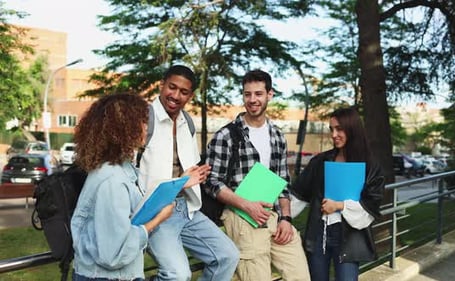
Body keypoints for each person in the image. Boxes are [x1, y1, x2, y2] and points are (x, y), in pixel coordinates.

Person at [71, 93, 209, 281]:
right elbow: (113, 254)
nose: (148, 128)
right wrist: (157, 220)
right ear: (125, 129)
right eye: (144, 122)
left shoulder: (119, 169)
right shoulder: (112, 181)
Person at [205, 69, 311, 281]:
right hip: (241, 217)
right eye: (247, 94)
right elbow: (211, 182)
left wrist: (286, 218)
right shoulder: (226, 136)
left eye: (258, 94)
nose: (252, 100)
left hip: (273, 215)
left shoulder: (277, 136)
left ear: (269, 95)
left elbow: (283, 182)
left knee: (300, 275)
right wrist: (246, 205)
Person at [137, 65, 239, 281]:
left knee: (228, 256)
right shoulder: (143, 119)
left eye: (183, 92)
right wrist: (182, 180)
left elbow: (190, 170)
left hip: (186, 208)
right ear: (161, 85)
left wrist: (197, 175)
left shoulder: (188, 123)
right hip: (155, 212)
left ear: (190, 96)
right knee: (177, 275)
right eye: (171, 87)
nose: (175, 96)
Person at [291, 107, 385, 281]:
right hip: (320, 234)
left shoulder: (370, 166)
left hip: (349, 238)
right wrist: (279, 216)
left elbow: (372, 204)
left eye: (339, 129)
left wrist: (339, 205)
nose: (334, 134)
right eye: (331, 129)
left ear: (353, 130)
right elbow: (298, 195)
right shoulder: (320, 162)